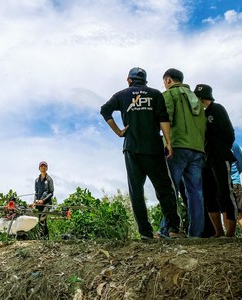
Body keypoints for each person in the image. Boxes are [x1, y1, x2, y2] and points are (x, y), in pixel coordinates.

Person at [100, 67, 183, 239]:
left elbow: (105, 110)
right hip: (153, 148)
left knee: (136, 191)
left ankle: (145, 232)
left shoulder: (122, 95)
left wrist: (118, 131)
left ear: (128, 80)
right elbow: (163, 119)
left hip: (131, 149)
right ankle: (173, 229)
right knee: (164, 189)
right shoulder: (155, 94)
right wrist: (168, 142)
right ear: (145, 81)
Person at [160, 68, 206, 238]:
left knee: (170, 189)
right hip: (197, 149)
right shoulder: (196, 99)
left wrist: (167, 142)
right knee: (195, 192)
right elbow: (203, 127)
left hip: (177, 147)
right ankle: (196, 233)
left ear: (169, 80)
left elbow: (166, 119)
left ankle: (167, 229)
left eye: (164, 82)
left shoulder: (169, 95)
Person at [194, 84, 238, 237]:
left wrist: (222, 150)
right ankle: (218, 231)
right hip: (205, 160)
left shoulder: (217, 109)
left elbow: (229, 133)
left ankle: (230, 232)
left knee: (224, 193)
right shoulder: (199, 115)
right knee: (208, 194)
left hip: (220, 157)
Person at [33, 161, 54, 239]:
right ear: (39, 168)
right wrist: (34, 202)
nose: (43, 167)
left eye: (44, 166)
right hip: (38, 204)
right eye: (41, 166)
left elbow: (51, 193)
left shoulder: (49, 179)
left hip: (47, 203)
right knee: (41, 221)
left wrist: (43, 200)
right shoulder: (36, 180)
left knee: (42, 219)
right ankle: (46, 238)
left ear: (47, 168)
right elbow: (36, 193)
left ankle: (41, 238)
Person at [230, 142, 242, 229]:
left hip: (232, 182)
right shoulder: (233, 144)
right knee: (239, 212)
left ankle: (229, 234)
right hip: (235, 182)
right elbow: (240, 163)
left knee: (229, 212)